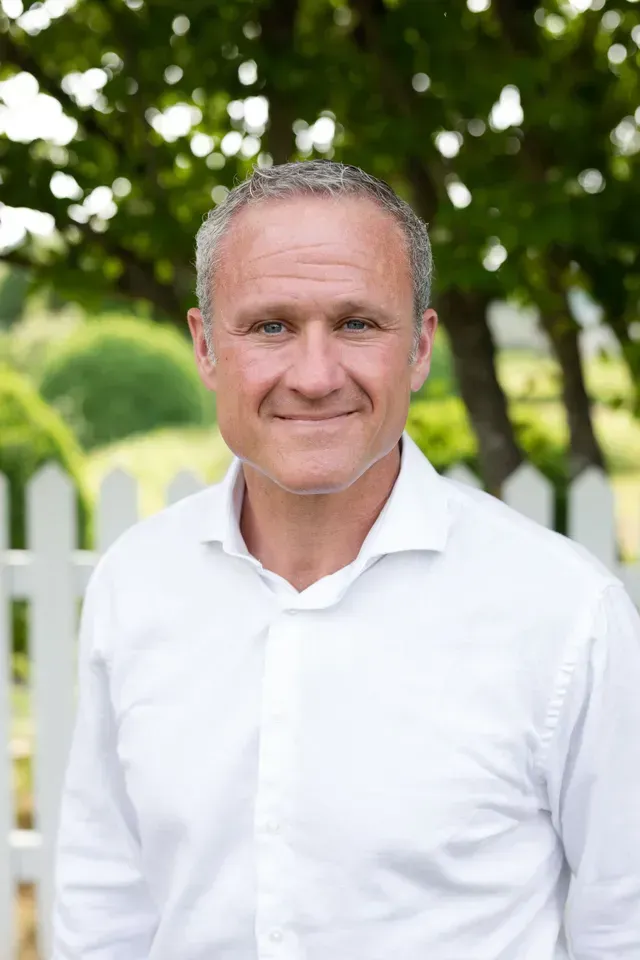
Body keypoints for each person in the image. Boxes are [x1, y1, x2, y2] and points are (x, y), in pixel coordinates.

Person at [51, 160, 640, 960]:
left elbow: (624, 928)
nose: (315, 376)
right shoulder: (137, 585)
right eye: (271, 327)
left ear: (420, 347)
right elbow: (105, 905)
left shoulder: (566, 615)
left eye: (357, 324)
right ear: (206, 347)